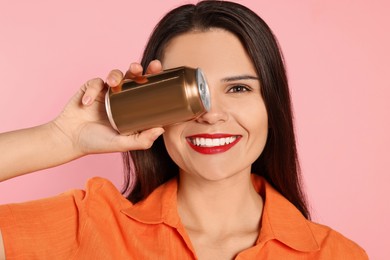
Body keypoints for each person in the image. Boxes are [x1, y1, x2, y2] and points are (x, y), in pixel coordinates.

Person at [0, 1, 368, 259]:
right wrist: (61, 138)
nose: (210, 114)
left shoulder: (336, 255)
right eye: (188, 93)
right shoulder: (90, 225)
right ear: (154, 103)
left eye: (238, 88)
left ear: (272, 105)